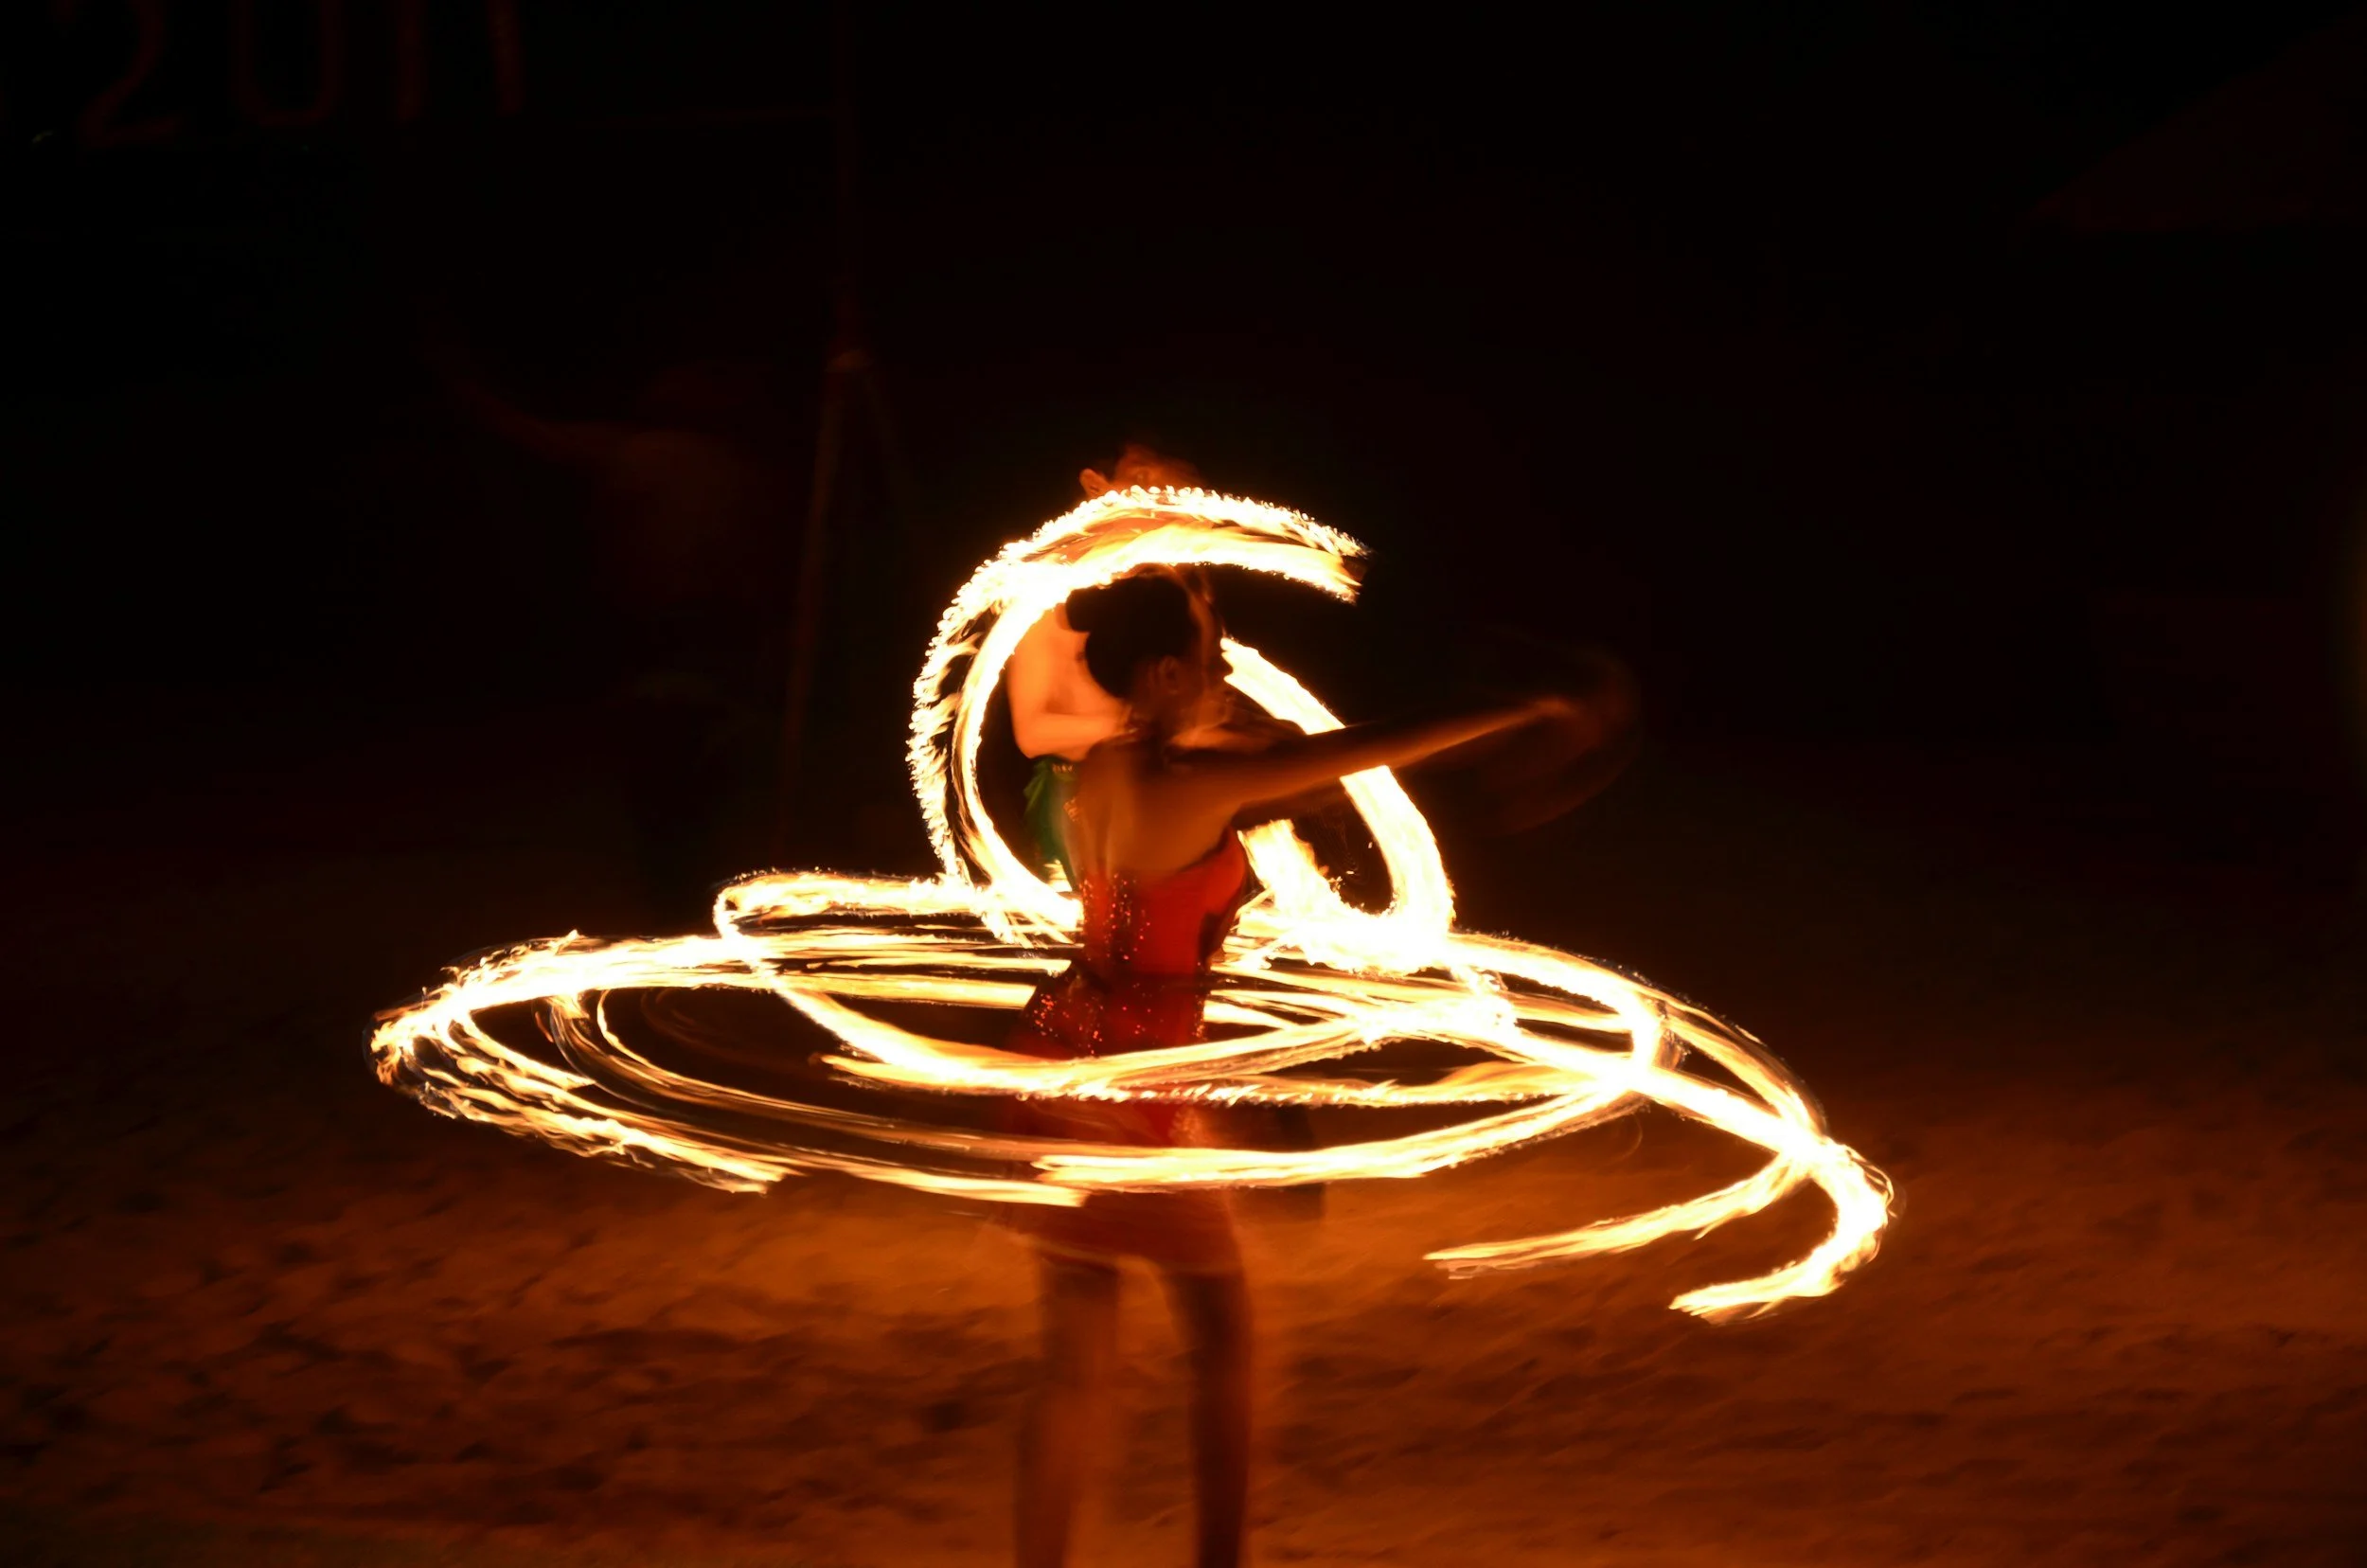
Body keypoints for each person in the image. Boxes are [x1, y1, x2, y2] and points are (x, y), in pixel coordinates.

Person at [1006, 569, 1593, 1568]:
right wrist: (1512, 711)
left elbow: (1279, 774)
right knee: (1223, 1342)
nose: (1224, 670)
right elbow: (1360, 754)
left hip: (1064, 1054)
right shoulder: (1192, 786)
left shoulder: (1104, 769)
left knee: (1075, 1360)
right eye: (1207, 653)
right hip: (1137, 1092)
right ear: (1159, 674)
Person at [1008, 444, 1209, 884]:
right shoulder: (1049, 592)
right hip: (1080, 799)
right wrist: (1152, 725)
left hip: (1170, 792)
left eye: (1181, 486)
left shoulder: (1179, 593)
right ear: (1095, 487)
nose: (1163, 496)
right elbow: (1033, 731)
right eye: (1145, 478)